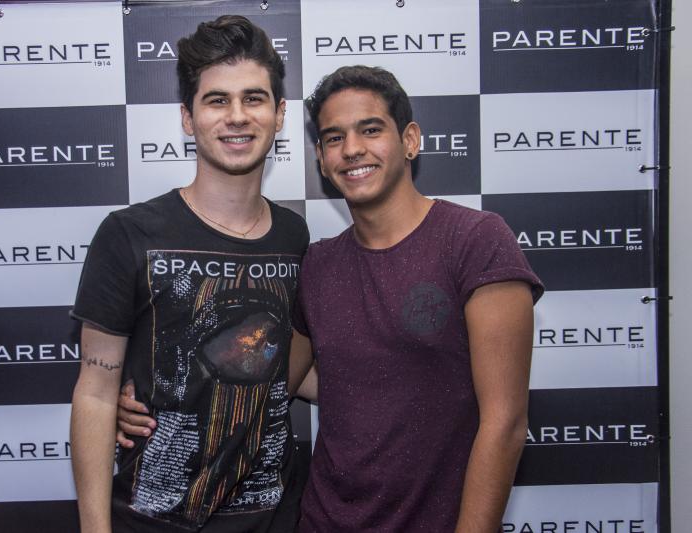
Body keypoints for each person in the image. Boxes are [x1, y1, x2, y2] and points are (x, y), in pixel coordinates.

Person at [118, 65, 544, 532]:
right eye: (334, 138)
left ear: (410, 140)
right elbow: (274, 377)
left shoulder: (475, 240)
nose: (352, 149)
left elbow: (505, 423)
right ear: (321, 159)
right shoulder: (319, 263)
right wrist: (154, 402)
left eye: (371, 130)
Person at [70, 15, 310, 533]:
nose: (237, 116)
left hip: (272, 518)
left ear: (279, 114)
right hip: (149, 520)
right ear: (188, 117)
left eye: (253, 98)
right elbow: (94, 391)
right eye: (217, 100)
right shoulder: (129, 234)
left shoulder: (296, 237)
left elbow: (289, 366)